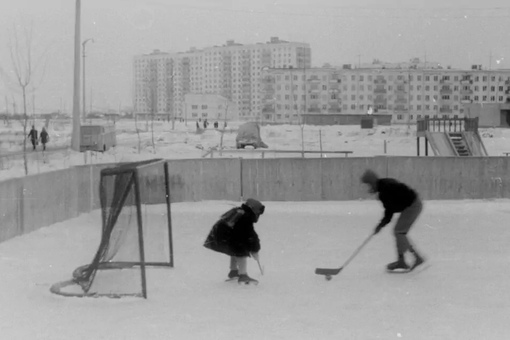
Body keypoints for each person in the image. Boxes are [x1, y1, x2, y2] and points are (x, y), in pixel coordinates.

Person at [360, 169, 425, 272]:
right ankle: (403, 260)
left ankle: (414, 258)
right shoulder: (385, 184)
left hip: (413, 205)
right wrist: (381, 224)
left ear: (372, 182)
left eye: (368, 184)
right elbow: (391, 208)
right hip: (411, 204)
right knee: (399, 232)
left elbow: (389, 211)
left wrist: (380, 225)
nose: (369, 187)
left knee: (399, 232)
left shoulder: (385, 190)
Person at [203, 198, 265, 284]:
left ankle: (234, 272)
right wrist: (255, 249)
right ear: (253, 210)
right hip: (227, 237)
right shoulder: (245, 217)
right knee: (241, 251)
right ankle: (243, 275)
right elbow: (250, 235)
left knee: (235, 249)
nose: (258, 215)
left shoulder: (239, 212)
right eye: (258, 212)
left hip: (220, 237)